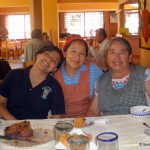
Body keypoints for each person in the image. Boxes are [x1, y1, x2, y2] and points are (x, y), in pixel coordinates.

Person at [88, 37, 150, 116]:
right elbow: (93, 110)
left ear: (130, 57)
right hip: (108, 127)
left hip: (139, 126)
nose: (117, 57)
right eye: (112, 52)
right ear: (106, 57)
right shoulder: (101, 81)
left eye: (122, 53)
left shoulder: (143, 74)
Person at [0, 45, 65, 120]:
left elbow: (57, 117)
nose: (49, 60)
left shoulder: (54, 86)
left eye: (54, 60)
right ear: (38, 55)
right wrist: (14, 122)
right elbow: (0, 102)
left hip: (38, 129)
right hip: (10, 124)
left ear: (54, 69)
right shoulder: (14, 75)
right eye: (47, 54)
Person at [54, 35, 103, 118]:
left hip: (89, 119)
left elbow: (105, 88)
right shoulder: (55, 76)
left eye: (82, 53)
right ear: (64, 53)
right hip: (63, 123)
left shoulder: (93, 70)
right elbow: (55, 111)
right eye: (73, 51)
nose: (77, 57)